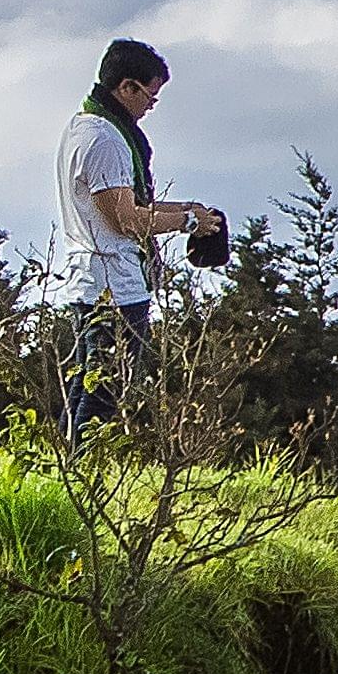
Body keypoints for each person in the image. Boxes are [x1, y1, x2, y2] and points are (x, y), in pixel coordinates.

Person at [54, 37, 227, 403]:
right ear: (126, 86)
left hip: (92, 280)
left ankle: (72, 457)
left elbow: (124, 202)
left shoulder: (83, 127)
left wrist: (188, 209)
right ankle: (85, 460)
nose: (151, 107)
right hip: (112, 285)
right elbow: (125, 219)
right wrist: (187, 224)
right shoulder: (105, 140)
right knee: (104, 393)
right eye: (150, 96)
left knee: (85, 388)